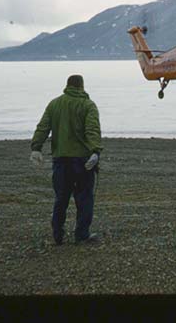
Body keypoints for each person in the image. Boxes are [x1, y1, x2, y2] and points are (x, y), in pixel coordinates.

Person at [30, 74, 103, 245]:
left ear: (67, 85)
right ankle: (82, 234)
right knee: (84, 198)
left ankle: (58, 234)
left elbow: (43, 127)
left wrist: (36, 148)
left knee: (61, 199)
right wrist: (95, 151)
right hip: (83, 161)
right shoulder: (88, 105)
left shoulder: (54, 104)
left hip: (60, 160)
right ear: (82, 86)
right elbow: (92, 130)